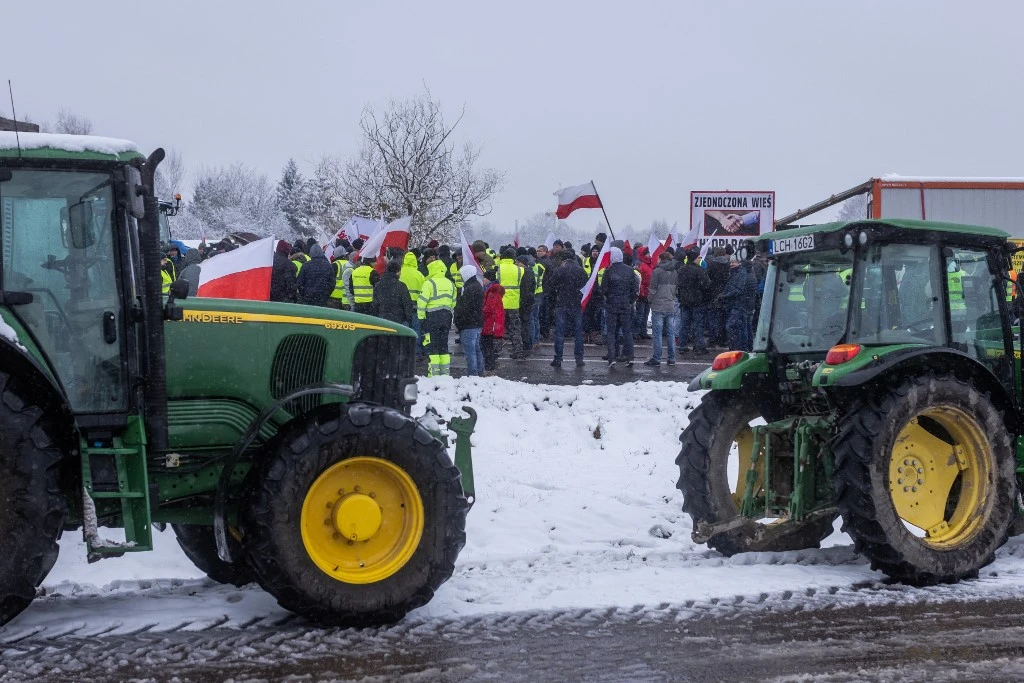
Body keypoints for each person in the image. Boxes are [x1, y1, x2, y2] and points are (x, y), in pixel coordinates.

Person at [546, 251, 589, 367]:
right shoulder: (580, 270)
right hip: (576, 303)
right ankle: (579, 358)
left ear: (563, 259)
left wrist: (557, 293)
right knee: (578, 333)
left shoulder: (559, 270)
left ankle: (558, 358)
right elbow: (586, 287)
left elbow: (550, 285)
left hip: (562, 302)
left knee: (560, 332)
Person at [418, 257, 456, 377]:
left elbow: (422, 302)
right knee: (443, 345)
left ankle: (433, 374)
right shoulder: (451, 284)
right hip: (446, 317)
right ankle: (445, 373)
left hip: (432, 318)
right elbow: (453, 302)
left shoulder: (429, 283)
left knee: (432, 345)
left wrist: (421, 317)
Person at [599, 246, 637, 366]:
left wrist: (608, 298)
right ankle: (630, 357)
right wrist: (629, 301)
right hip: (625, 305)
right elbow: (635, 289)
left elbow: (603, 289)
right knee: (627, 332)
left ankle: (612, 357)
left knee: (611, 332)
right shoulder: (630, 270)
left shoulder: (608, 271)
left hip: (612, 305)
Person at [646, 251, 680, 365]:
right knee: (670, 333)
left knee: (657, 334)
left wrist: (650, 301)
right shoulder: (675, 272)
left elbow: (652, 289)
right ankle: (671, 358)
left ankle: (657, 358)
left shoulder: (657, 272)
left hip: (658, 306)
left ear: (661, 259)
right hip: (670, 305)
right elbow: (676, 290)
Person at [678, 247, 711, 353]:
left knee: (684, 324)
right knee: (698, 325)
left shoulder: (681, 270)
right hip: (697, 301)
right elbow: (706, 285)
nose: (699, 259)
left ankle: (682, 345)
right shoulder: (700, 270)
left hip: (685, 301)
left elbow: (679, 285)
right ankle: (698, 346)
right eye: (698, 257)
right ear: (695, 258)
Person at [454, 265, 485, 376]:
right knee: (476, 349)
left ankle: (473, 374)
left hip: (469, 324)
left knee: (470, 351)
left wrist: (458, 320)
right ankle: (479, 371)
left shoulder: (470, 288)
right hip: (476, 322)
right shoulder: (476, 286)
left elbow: (464, 308)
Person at [497, 247, 525, 360]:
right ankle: (518, 351)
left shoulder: (498, 268)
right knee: (515, 329)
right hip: (514, 302)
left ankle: (496, 350)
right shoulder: (519, 270)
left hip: (500, 302)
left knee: (499, 328)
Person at [720, 253, 750, 351]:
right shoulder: (734, 273)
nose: (732, 264)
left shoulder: (741, 273)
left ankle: (735, 348)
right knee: (739, 327)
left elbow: (738, 289)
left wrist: (725, 296)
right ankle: (739, 348)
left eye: (734, 262)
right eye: (731, 262)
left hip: (739, 305)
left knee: (731, 326)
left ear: (739, 263)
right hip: (735, 304)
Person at [372, 258, 414, 324]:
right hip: (398, 320)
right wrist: (409, 319)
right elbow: (407, 304)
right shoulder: (401, 285)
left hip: (382, 319)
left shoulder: (378, 285)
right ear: (397, 272)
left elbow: (375, 304)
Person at [481, 269, 505, 375]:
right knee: (489, 345)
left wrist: (480, 311)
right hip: (494, 322)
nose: (482, 280)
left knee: (487, 345)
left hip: (490, 323)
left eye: (484, 278)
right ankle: (490, 365)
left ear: (488, 279)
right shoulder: (493, 290)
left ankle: (489, 367)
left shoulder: (492, 292)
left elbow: (489, 308)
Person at [400, 250, 425, 351]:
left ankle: (404, 350)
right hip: (416, 307)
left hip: (402, 307)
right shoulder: (419, 275)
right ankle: (417, 351)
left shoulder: (400, 273)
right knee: (416, 330)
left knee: (403, 329)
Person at [516, 252, 536, 356]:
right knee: (526, 323)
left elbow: (526, 289)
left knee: (525, 323)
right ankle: (527, 344)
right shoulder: (529, 271)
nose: (516, 264)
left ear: (522, 263)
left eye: (517, 262)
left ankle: (527, 344)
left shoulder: (526, 272)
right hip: (528, 300)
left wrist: (522, 301)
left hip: (526, 302)